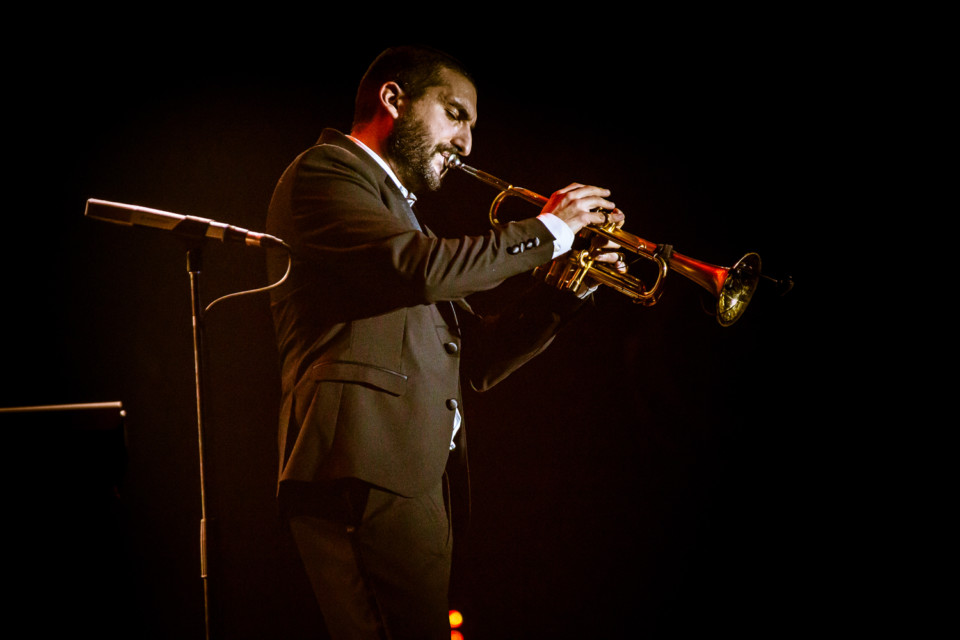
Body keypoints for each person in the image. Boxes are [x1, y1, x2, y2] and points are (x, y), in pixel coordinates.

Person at [264, 45, 625, 639]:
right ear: (393, 99)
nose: (466, 144)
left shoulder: (404, 221)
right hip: (360, 458)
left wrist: (567, 290)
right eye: (455, 115)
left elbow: (475, 359)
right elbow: (421, 269)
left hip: (409, 472)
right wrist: (550, 229)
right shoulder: (326, 171)